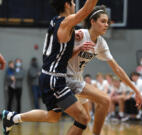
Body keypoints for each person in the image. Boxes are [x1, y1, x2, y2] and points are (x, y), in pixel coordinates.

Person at [2, 0, 99, 135]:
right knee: (83, 118)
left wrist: (78, 47)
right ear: (66, 4)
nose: (75, 5)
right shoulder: (66, 22)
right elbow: (86, 10)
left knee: (52, 117)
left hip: (48, 77)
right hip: (54, 80)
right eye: (73, 2)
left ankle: (13, 117)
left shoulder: (56, 21)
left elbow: (62, 55)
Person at [66, 5, 142, 135]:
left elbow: (117, 68)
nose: (106, 25)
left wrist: (135, 89)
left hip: (77, 78)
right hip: (65, 78)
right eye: (103, 21)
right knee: (105, 100)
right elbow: (60, 55)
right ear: (92, 21)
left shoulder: (101, 43)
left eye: (107, 22)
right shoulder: (79, 35)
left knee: (85, 119)